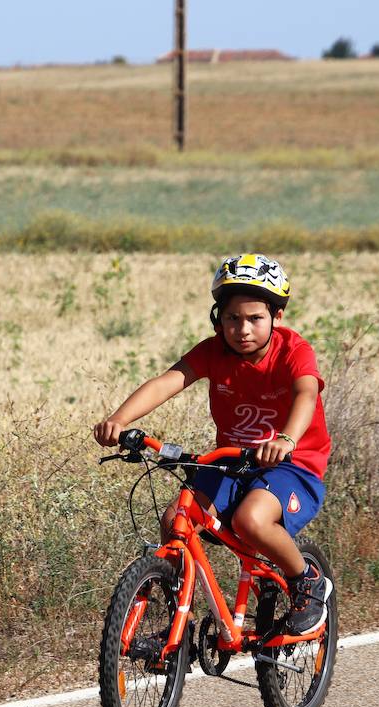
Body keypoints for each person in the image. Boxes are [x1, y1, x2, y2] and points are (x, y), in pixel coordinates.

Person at [93, 253, 333, 635]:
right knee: (175, 520)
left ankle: (308, 581)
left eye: (255, 318)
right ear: (218, 318)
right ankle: (177, 615)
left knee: (250, 520)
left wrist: (286, 439)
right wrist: (120, 420)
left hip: (291, 465)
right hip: (231, 463)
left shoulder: (293, 351)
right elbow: (166, 382)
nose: (243, 329)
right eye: (232, 318)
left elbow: (306, 394)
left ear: (276, 317)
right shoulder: (213, 351)